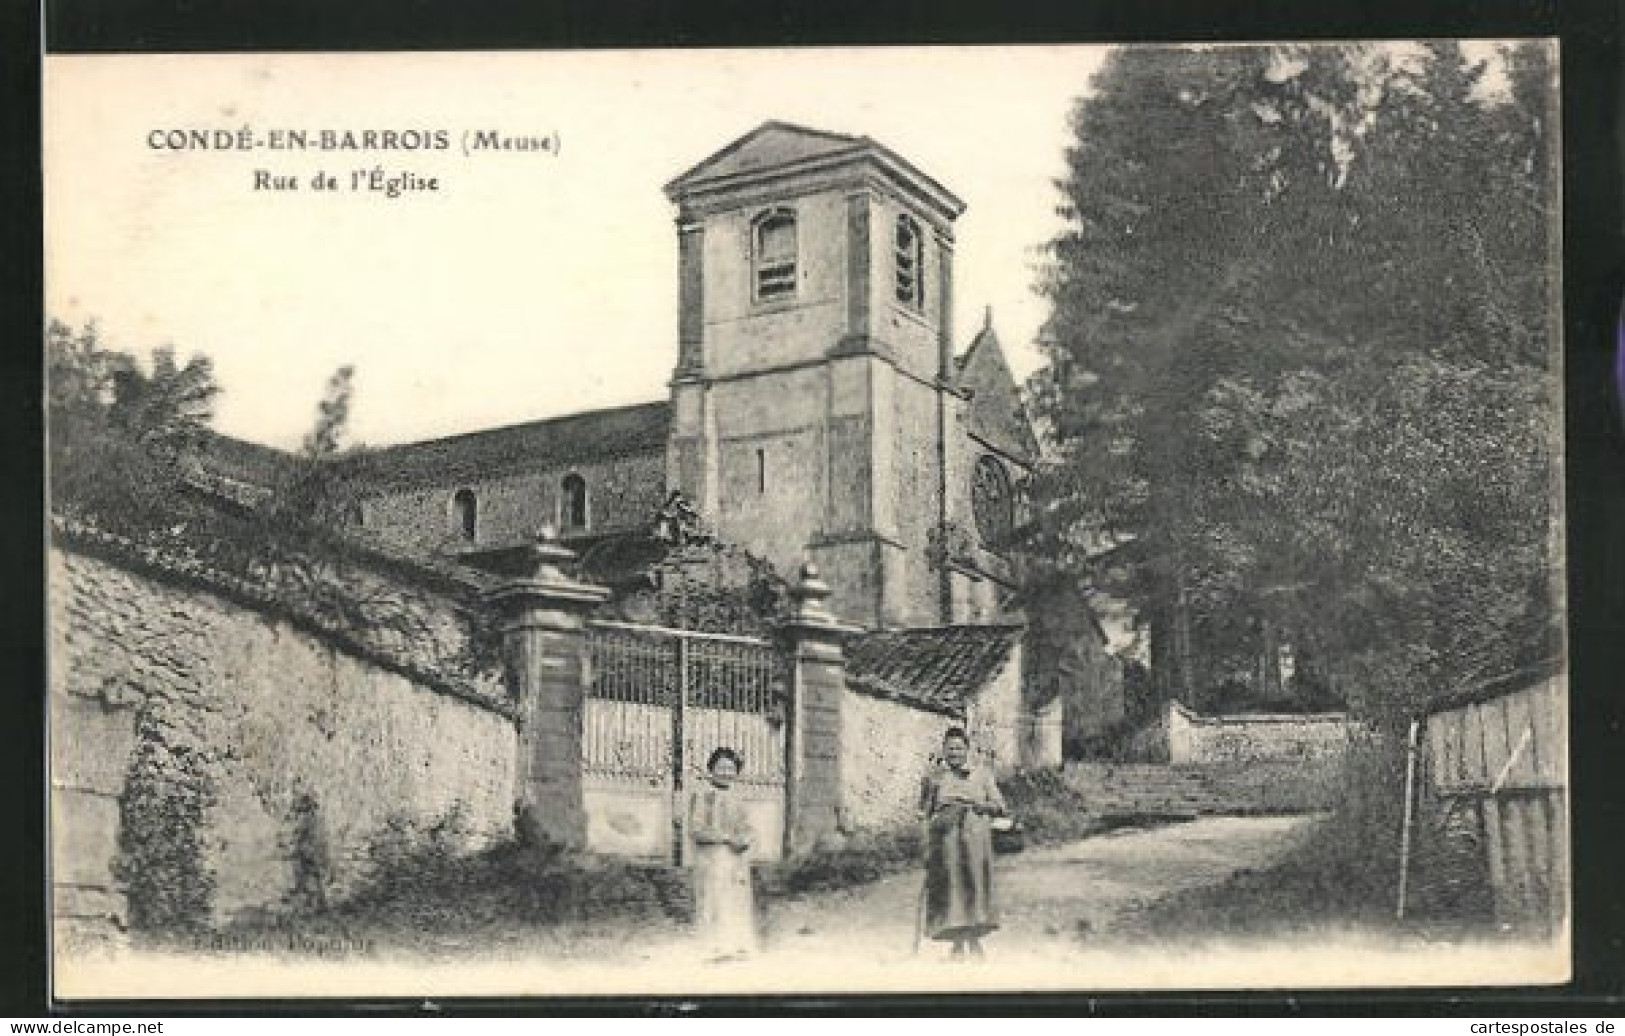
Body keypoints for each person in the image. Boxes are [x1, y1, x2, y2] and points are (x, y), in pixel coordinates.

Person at [918, 726, 1007, 958]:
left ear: (967, 750)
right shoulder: (934, 778)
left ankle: (975, 943)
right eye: (950, 749)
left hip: (975, 841)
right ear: (944, 751)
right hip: (946, 844)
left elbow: (1000, 805)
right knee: (952, 893)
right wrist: (925, 845)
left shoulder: (982, 775)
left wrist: (983, 806)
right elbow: (924, 813)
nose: (954, 753)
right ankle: (957, 944)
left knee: (974, 890)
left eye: (959, 748)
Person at [684, 746, 757, 960]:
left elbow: (748, 826)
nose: (726, 772)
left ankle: (737, 945)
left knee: (737, 899)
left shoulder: (739, 797)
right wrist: (725, 838)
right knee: (714, 900)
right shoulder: (702, 795)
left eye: (731, 768)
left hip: (737, 858)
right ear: (711, 768)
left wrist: (745, 839)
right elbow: (696, 829)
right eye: (721, 767)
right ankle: (712, 947)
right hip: (713, 858)